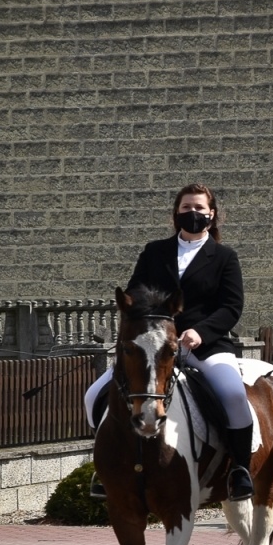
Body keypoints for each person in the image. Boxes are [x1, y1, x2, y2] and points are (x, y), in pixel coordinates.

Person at [85, 184, 254, 501]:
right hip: (156, 345)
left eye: (200, 208)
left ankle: (240, 470)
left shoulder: (224, 257)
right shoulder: (154, 252)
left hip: (204, 345)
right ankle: (105, 466)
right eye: (187, 207)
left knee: (232, 394)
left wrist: (200, 331)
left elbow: (231, 307)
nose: (193, 213)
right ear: (176, 213)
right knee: (94, 394)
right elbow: (135, 292)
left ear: (212, 214)